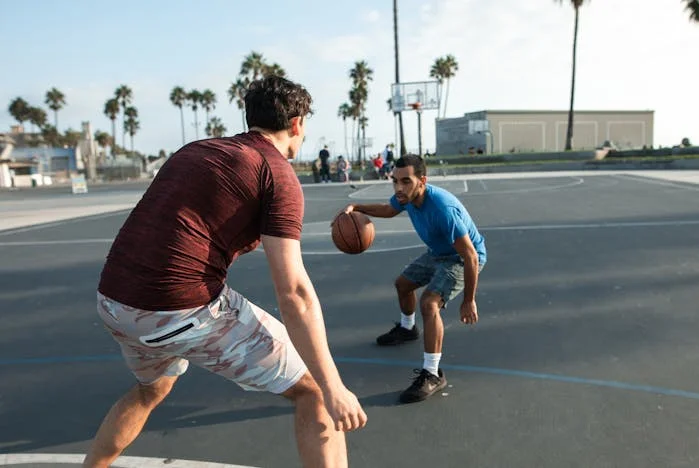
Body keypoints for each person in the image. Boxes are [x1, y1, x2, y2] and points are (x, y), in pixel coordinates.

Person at [83, 76, 367, 468]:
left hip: (113, 301)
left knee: (152, 389)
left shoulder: (196, 150)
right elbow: (294, 293)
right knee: (314, 390)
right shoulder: (276, 172)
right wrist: (334, 386)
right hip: (176, 310)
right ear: (297, 123)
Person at [338, 154, 486, 404]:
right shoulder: (405, 198)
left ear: (422, 181)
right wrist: (357, 208)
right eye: (394, 181)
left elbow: (470, 256)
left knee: (429, 304)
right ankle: (407, 329)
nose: (398, 188)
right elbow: (388, 210)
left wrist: (469, 300)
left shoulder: (442, 209)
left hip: (460, 259)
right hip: (439, 253)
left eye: (405, 181)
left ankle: (432, 373)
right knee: (403, 284)